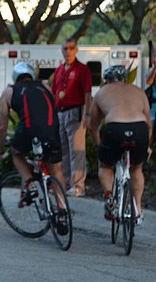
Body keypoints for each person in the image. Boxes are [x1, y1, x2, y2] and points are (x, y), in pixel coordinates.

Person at [0, 62, 68, 233]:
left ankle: (31, 186)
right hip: (51, 130)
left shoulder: (9, 91)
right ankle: (62, 211)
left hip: (28, 131)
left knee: (16, 153)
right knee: (56, 170)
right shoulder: (44, 86)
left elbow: (2, 127)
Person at [88, 65, 152, 225]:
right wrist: (148, 146)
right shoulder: (138, 91)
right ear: (125, 78)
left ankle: (110, 197)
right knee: (137, 168)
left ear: (107, 80)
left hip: (115, 128)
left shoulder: (101, 93)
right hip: (139, 128)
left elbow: (92, 126)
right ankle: (137, 209)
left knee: (105, 166)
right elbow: (150, 125)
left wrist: (98, 146)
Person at [51, 37, 92, 198]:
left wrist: (87, 114)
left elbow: (87, 93)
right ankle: (67, 182)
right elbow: (55, 92)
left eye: (71, 48)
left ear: (76, 50)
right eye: (65, 48)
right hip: (60, 112)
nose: (68, 51)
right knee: (64, 151)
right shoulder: (59, 69)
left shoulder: (82, 69)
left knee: (77, 150)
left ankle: (78, 185)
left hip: (75, 112)